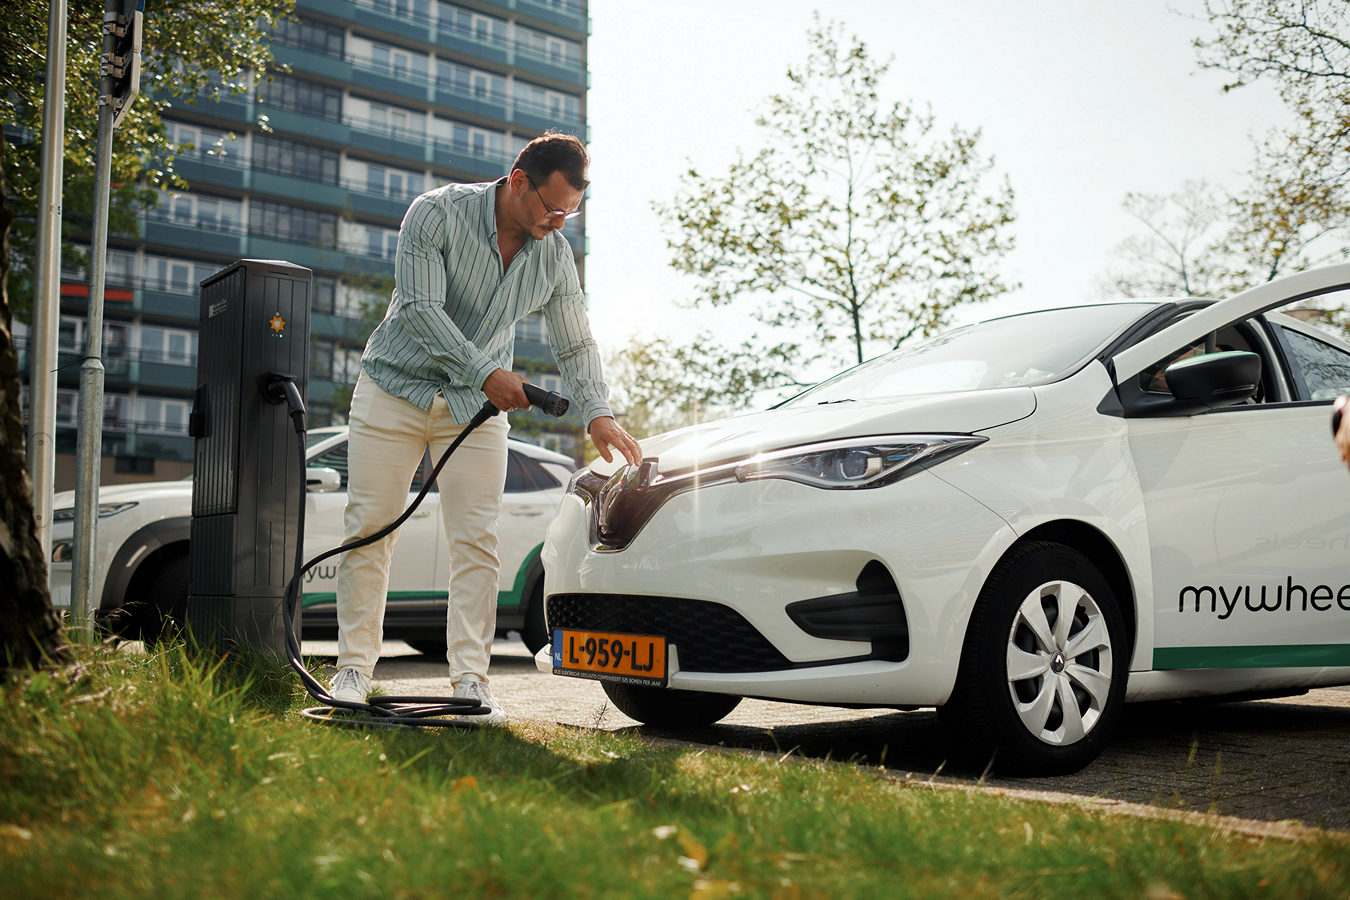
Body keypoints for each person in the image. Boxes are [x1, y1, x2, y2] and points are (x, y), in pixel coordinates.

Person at [327, 132, 642, 722]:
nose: (559, 221)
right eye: (552, 207)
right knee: (370, 527)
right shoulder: (436, 213)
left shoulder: (554, 254)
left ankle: (470, 680)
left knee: (476, 540)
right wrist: (485, 370)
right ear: (518, 181)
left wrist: (598, 410)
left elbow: (574, 339)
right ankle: (352, 668)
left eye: (570, 212)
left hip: (475, 410)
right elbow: (420, 308)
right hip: (394, 386)